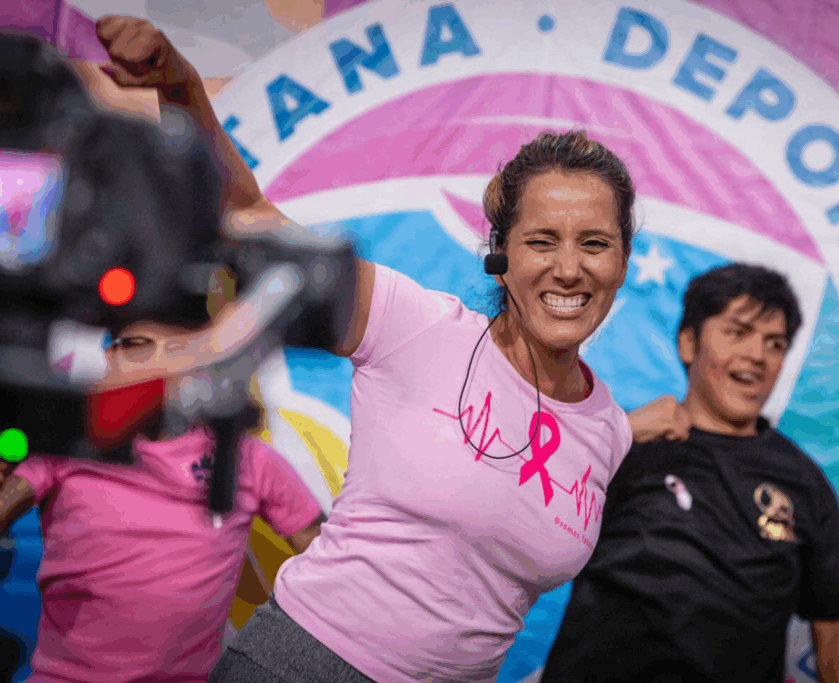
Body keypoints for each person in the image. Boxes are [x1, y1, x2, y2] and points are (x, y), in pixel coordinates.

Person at [90, 14, 638, 683]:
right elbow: (248, 215)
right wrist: (182, 89)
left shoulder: (609, 430)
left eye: (594, 243)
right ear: (501, 254)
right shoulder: (419, 326)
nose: (568, 269)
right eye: (541, 241)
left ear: (623, 260)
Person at [541, 263, 839, 683]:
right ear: (688, 343)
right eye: (738, 332)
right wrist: (616, 433)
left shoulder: (804, 481)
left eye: (775, 343)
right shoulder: (625, 443)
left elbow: (833, 626)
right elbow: (514, 513)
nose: (757, 355)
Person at [0, 320, 327, 683]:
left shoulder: (247, 459)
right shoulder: (68, 447)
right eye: (119, 347)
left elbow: (328, 560)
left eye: (141, 346)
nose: (121, 359)